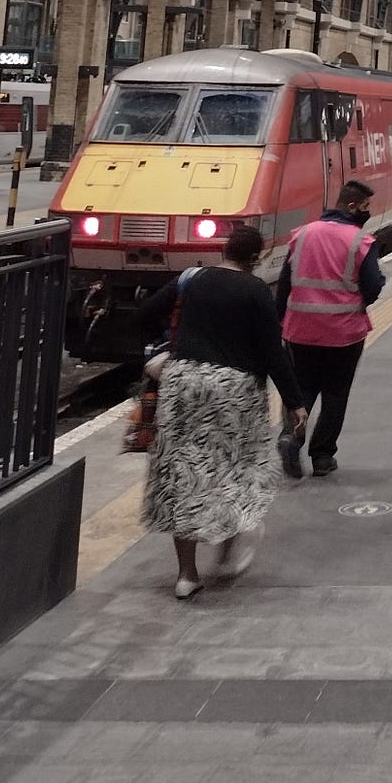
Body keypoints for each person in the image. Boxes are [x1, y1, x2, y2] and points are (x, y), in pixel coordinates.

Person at [138, 225, 306, 599]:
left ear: (224, 251)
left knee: (184, 474)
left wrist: (168, 346)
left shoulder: (192, 279)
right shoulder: (255, 290)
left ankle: (185, 575)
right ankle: (226, 553)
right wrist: (295, 401)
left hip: (183, 382)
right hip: (233, 391)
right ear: (255, 258)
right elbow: (272, 353)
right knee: (232, 470)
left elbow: (144, 314)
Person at [275, 178, 385, 478]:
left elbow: (284, 283)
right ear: (351, 207)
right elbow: (373, 288)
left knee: (302, 390)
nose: (367, 213)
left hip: (300, 331)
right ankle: (322, 457)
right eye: (365, 208)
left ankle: (291, 438)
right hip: (344, 334)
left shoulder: (302, 235)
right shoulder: (361, 242)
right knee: (336, 394)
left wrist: (278, 321)